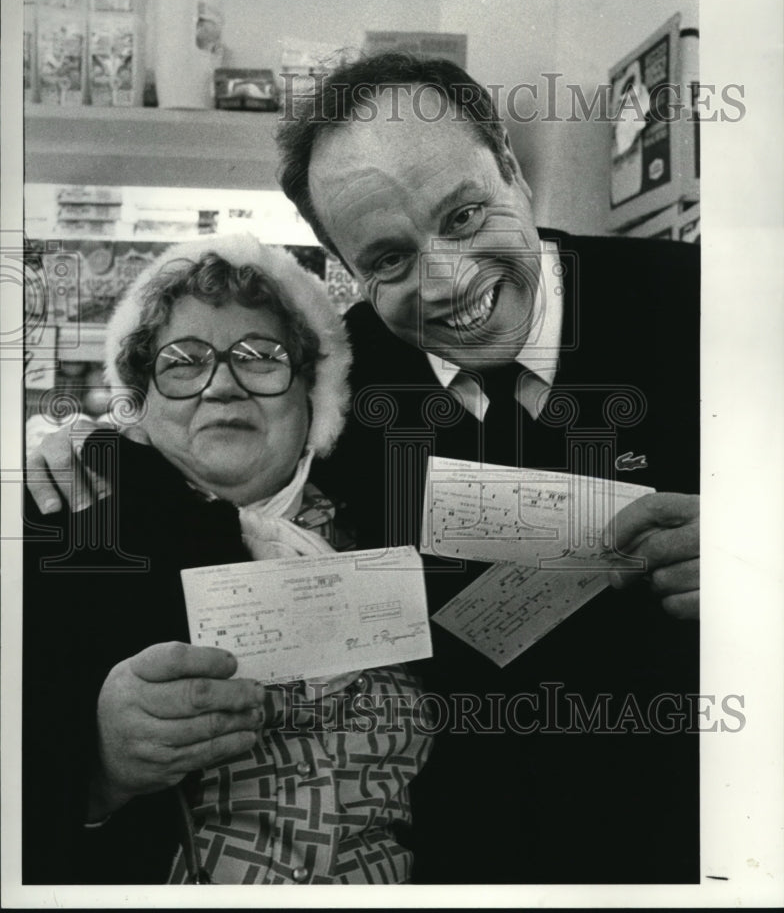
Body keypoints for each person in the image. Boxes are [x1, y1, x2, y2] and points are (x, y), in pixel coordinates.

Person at [27, 53, 700, 883]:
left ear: (514, 171)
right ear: (348, 265)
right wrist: (80, 443)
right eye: (388, 258)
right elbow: (210, 431)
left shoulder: (714, 310)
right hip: (460, 861)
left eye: (463, 216)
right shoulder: (344, 383)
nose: (447, 282)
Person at [23, 233, 432, 885]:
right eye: (183, 363)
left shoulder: (395, 525)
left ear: (313, 390)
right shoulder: (61, 525)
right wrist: (97, 766)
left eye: (261, 358)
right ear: (141, 396)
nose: (221, 386)